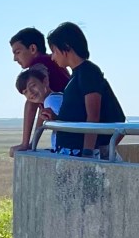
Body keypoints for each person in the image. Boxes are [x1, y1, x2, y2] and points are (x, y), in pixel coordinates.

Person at [46, 21, 126, 155]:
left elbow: (93, 116)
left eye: (54, 51)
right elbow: (79, 115)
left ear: (66, 47)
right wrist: (55, 118)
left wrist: (88, 152)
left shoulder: (89, 72)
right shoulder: (76, 75)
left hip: (79, 152)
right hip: (70, 150)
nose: (53, 57)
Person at [9, 27, 69, 155]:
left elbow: (32, 104)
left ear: (32, 49)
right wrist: (34, 142)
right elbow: (43, 109)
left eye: (17, 52)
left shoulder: (38, 67)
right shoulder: (53, 62)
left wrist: (25, 144)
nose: (15, 58)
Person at [15, 65, 64, 150]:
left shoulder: (51, 100)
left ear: (45, 82)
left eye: (33, 86)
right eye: (25, 92)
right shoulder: (51, 99)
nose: (30, 92)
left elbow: (66, 123)